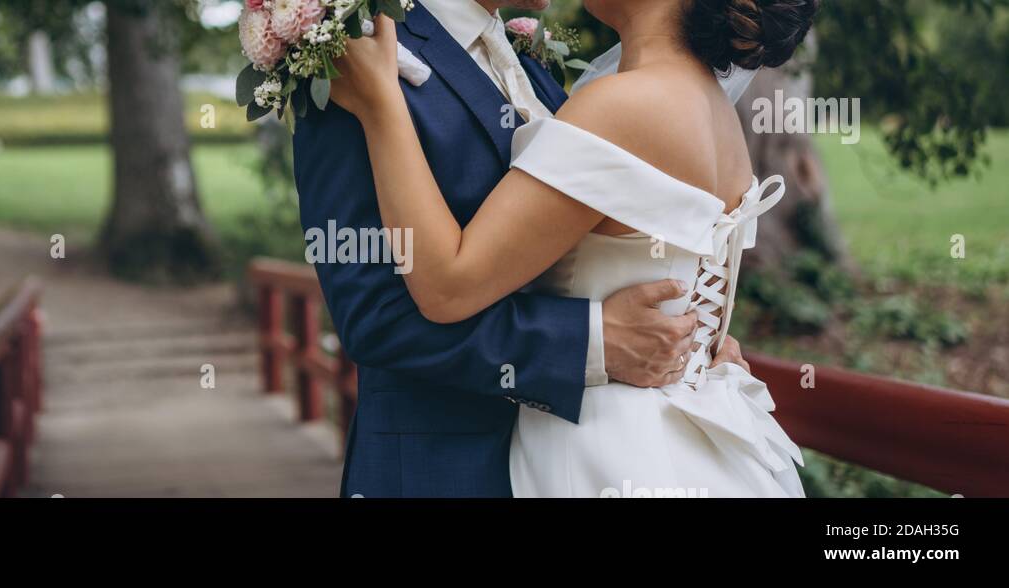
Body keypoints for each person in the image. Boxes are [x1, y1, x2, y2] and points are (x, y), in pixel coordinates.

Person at [324, 0, 819, 496]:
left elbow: (447, 285)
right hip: (690, 440)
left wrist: (380, 105)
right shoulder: (714, 110)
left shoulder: (622, 105)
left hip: (605, 445)